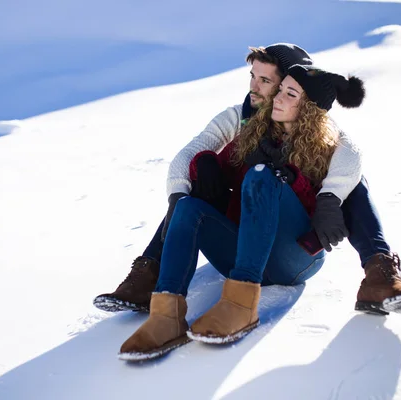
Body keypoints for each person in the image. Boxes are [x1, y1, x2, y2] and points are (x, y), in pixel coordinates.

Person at [94, 44, 401, 318]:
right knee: (193, 183)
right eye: (252, 76)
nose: (254, 86)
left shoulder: (315, 125)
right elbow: (190, 151)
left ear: (291, 84)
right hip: (239, 246)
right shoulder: (240, 117)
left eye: (266, 81)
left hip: (292, 250)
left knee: (351, 180)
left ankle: (379, 272)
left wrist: (329, 197)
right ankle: (148, 273)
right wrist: (184, 191)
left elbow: (350, 152)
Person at [118, 65, 370, 361]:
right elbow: (213, 166)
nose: (277, 98)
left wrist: (291, 180)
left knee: (262, 175)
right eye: (280, 90)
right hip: (243, 253)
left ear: (311, 109)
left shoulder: (329, 149)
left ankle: (240, 305)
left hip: (295, 260)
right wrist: (206, 164)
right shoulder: (254, 135)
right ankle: (167, 315)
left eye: (291, 94)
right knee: (189, 207)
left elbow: (322, 211)